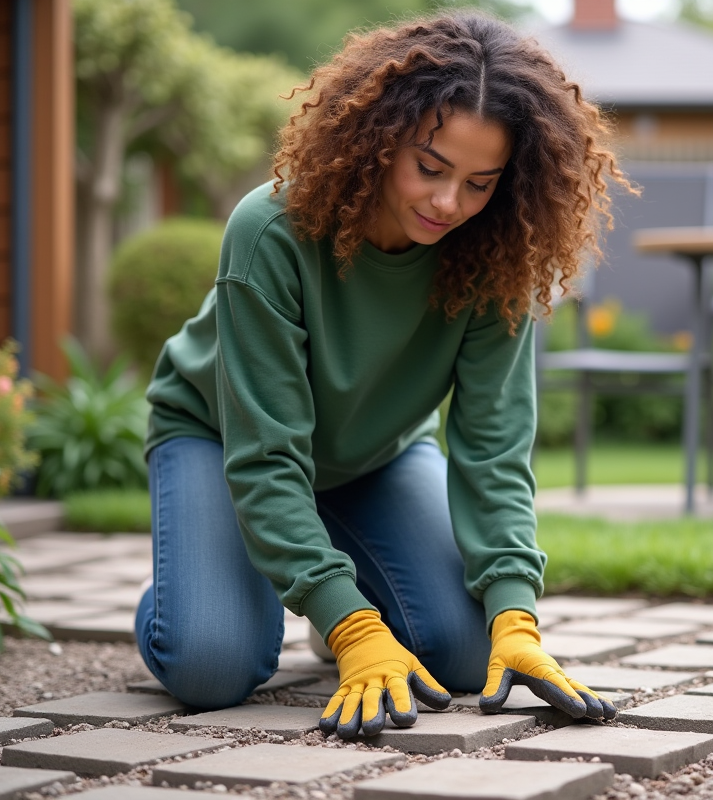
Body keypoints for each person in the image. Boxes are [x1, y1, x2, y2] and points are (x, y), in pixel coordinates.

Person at [137, 12, 632, 740]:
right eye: (430, 168)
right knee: (212, 664)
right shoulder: (271, 230)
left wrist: (516, 616)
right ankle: (200, 583)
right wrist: (353, 627)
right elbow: (267, 454)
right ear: (379, 138)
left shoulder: (497, 259)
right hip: (221, 438)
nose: (448, 203)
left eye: (479, 183)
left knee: (467, 656)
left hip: (374, 454)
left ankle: (327, 582)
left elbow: (493, 450)